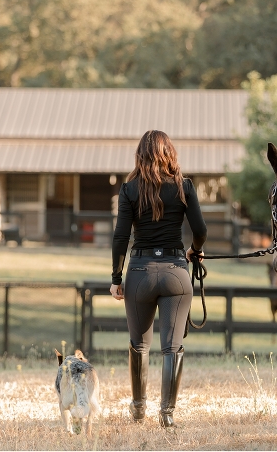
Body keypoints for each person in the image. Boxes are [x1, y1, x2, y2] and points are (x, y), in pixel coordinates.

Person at [110, 130, 207, 429]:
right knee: (172, 347)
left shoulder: (128, 190)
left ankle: (138, 408)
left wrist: (116, 277)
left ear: (140, 155)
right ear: (170, 154)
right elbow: (200, 230)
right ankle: (167, 414)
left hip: (139, 272)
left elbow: (121, 237)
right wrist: (195, 251)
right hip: (176, 271)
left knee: (139, 344)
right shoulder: (184, 187)